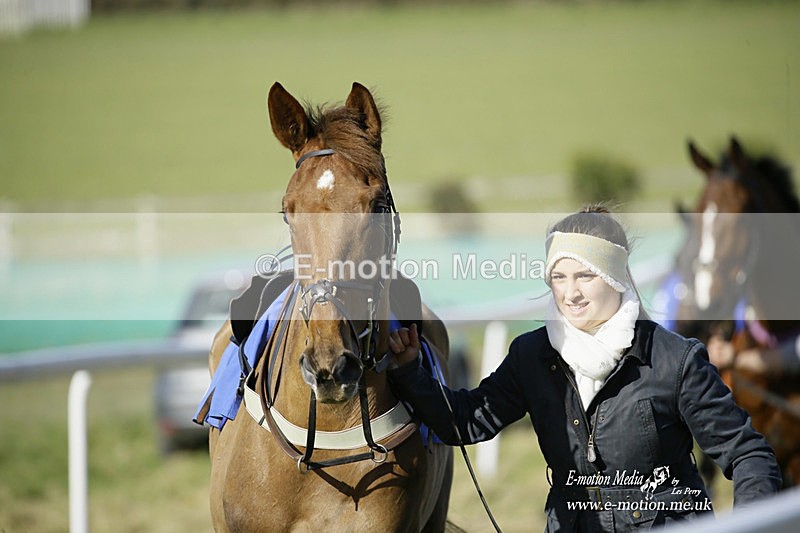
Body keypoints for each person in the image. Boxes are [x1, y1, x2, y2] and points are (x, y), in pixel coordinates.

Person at [387, 205, 781, 532]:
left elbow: (749, 454)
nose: (570, 293)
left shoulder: (675, 359)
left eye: (585, 276)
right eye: (558, 277)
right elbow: (465, 421)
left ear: (614, 277)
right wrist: (409, 370)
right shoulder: (531, 356)